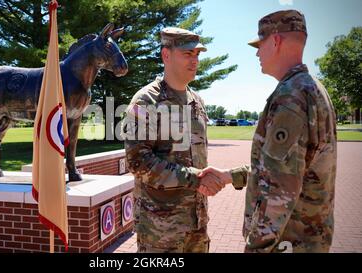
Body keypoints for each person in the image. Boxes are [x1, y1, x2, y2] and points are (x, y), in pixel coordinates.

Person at [198, 10, 337, 253]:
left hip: (286, 243)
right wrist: (231, 176)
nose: (257, 52)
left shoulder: (290, 97)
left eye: (260, 44)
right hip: (307, 239)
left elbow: (279, 189)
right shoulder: (311, 89)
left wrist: (256, 247)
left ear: (275, 41)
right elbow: (287, 169)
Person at [121, 27, 220, 253]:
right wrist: (196, 178)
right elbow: (138, 162)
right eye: (187, 54)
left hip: (197, 223)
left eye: (197, 54)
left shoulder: (197, 101)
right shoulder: (145, 101)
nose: (194, 60)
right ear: (166, 55)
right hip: (160, 230)